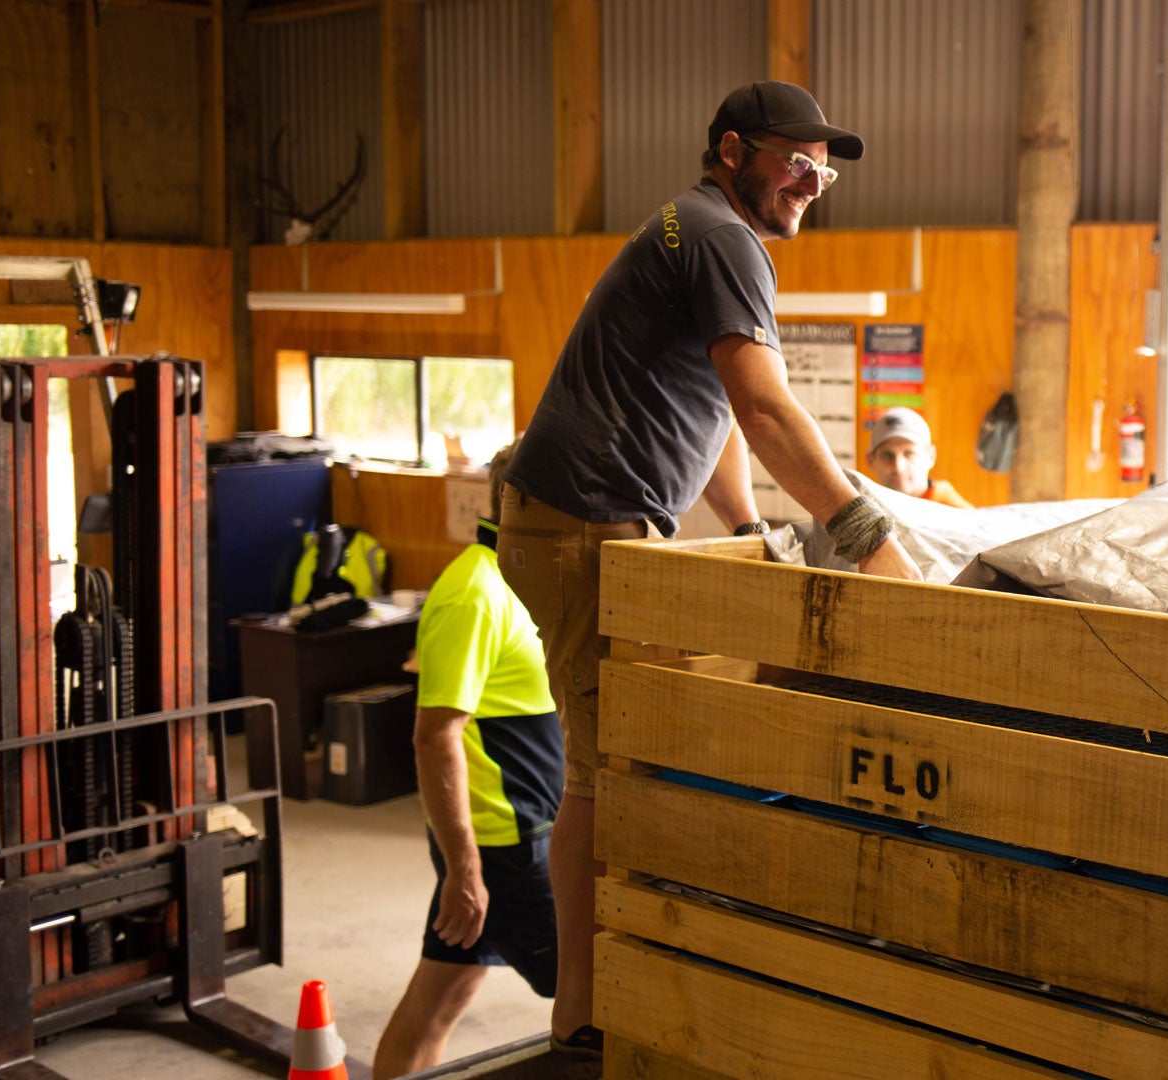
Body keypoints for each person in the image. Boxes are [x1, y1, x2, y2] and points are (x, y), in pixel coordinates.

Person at [497, 80, 923, 1060]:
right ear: (733, 151)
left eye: (827, 167)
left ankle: (624, 983)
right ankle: (585, 1019)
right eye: (796, 159)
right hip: (581, 529)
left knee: (631, 754)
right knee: (607, 770)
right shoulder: (722, 235)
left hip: (587, 524)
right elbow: (767, 406)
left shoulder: (703, 232)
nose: (815, 180)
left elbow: (717, 408)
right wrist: (865, 534)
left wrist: (747, 526)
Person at [375, 444, 564, 1079]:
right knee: (601, 999)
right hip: (504, 848)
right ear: (524, 504)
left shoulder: (518, 582)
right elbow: (434, 738)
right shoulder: (472, 595)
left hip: (512, 837)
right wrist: (465, 868)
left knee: (440, 998)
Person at [866, 406, 975, 508]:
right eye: (887, 455)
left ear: (931, 456)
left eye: (909, 453)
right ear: (871, 460)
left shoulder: (960, 516)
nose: (898, 467)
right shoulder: (866, 511)